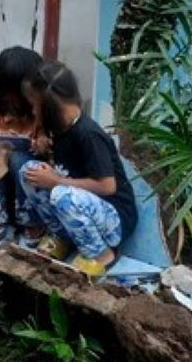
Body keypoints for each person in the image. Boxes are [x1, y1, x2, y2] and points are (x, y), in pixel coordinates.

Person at [13, 61, 137, 276]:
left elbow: (107, 186)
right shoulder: (61, 128)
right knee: (29, 172)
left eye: (35, 105)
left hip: (113, 219)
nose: (33, 111)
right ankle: (63, 237)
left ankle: (102, 255)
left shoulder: (89, 134)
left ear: (49, 105)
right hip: (79, 207)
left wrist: (55, 181)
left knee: (62, 195)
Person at [0, 46, 45, 241]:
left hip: (30, 175)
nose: (12, 99)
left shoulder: (40, 111)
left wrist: (40, 144)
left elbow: (50, 140)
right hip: (1, 177)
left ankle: (31, 218)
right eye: (7, 92)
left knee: (21, 159)